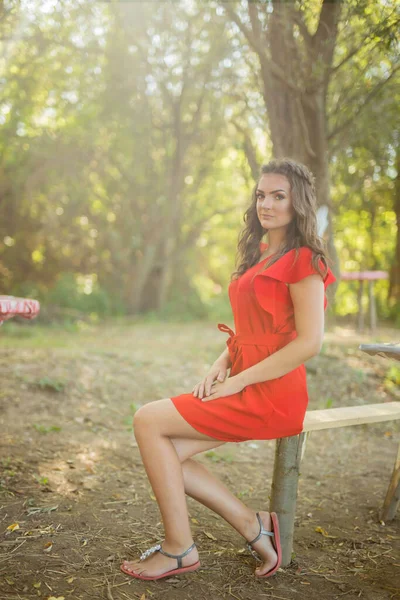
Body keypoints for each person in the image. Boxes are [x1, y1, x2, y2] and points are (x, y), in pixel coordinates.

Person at [120, 157, 336, 581]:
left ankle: (180, 548)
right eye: (261, 195)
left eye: (279, 196)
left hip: (272, 391)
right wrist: (222, 363)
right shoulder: (260, 252)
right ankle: (253, 527)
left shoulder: (304, 260)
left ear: (299, 204)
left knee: (148, 421)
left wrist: (238, 380)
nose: (266, 204)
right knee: (168, 458)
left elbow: (309, 343)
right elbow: (250, 327)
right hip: (241, 379)